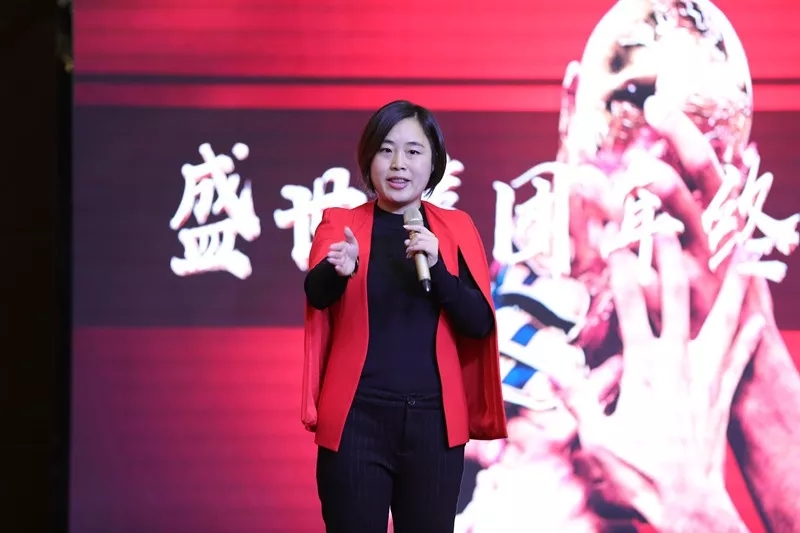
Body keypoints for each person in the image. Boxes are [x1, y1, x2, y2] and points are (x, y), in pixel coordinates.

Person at [301, 100, 508, 533]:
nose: (399, 163)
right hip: (357, 420)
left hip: (434, 426)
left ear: (433, 163)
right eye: (386, 150)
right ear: (369, 159)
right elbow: (316, 294)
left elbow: (479, 323)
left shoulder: (455, 230)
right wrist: (339, 270)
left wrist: (438, 270)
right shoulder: (341, 224)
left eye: (413, 151)